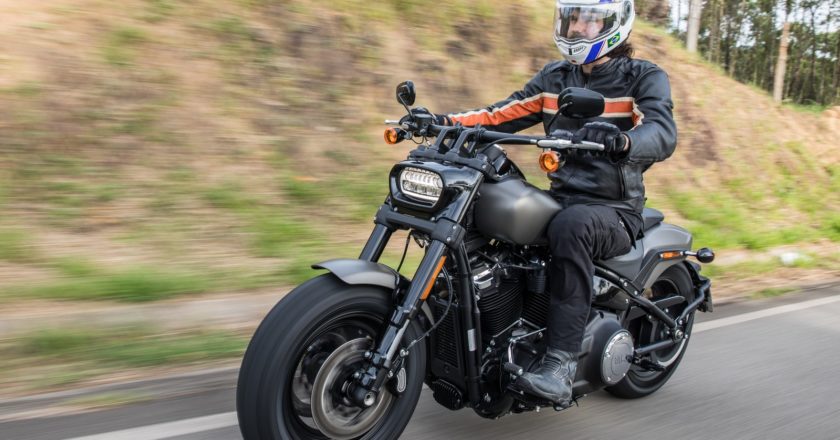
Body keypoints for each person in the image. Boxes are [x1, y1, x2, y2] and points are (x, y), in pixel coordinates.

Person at [416, 0, 677, 406]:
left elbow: (661, 131)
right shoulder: (554, 77)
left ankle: (560, 364)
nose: (578, 28)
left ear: (615, 23)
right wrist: (441, 122)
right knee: (486, 209)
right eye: (573, 18)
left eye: (589, 19)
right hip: (560, 199)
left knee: (571, 227)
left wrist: (625, 141)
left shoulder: (642, 77)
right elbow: (498, 115)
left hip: (614, 209)